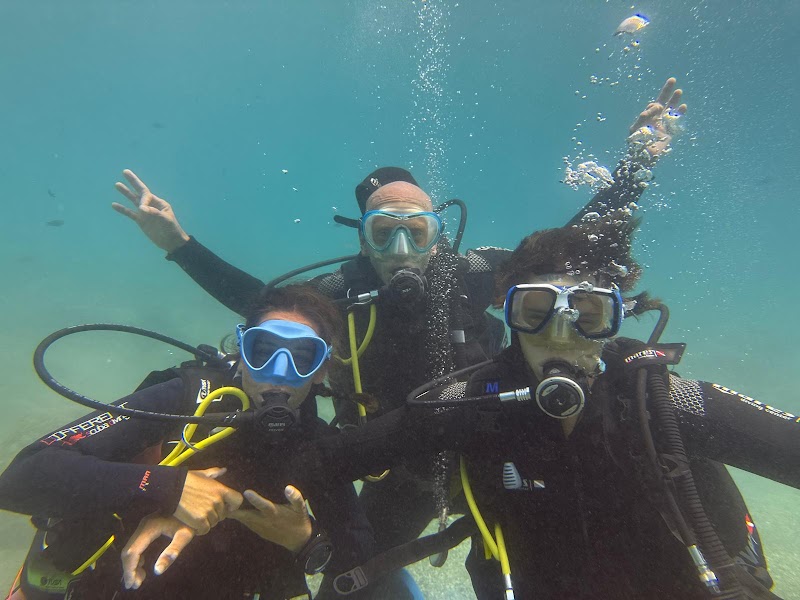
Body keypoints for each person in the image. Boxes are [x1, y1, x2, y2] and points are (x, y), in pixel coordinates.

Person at [109, 79, 687, 556]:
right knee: (354, 572)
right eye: (385, 232)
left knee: (533, 560)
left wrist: (634, 167)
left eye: (418, 231)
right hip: (393, 464)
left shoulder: (469, 273)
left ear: (439, 233)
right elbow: (261, 303)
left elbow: (561, 254)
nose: (402, 249)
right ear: (363, 237)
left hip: (491, 447)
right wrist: (179, 244)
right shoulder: (342, 290)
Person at [279, 220, 797, 599]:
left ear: (616, 316)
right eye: (536, 310)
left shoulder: (663, 401)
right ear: (508, 312)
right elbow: (327, 459)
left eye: (588, 313)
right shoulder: (470, 401)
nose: (561, 333)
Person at [0, 285, 374, 600]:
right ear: (242, 349)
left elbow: (361, 551)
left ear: (323, 369)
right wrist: (168, 487)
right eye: (263, 350)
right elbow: (22, 477)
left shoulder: (317, 443)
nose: (279, 373)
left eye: (303, 357)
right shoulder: (188, 399)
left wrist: (303, 538)